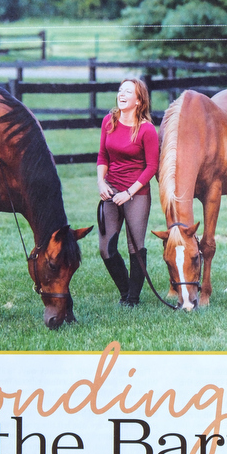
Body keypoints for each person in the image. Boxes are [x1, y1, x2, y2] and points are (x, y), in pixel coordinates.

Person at [96, 78, 159, 306]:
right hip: (111, 191)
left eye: (128, 92)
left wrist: (129, 193)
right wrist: (101, 182)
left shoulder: (146, 130)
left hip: (136, 193)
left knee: (135, 246)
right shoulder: (109, 122)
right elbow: (103, 156)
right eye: (120, 90)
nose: (121, 94)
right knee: (106, 248)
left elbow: (152, 166)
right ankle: (125, 290)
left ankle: (132, 298)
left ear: (139, 100)